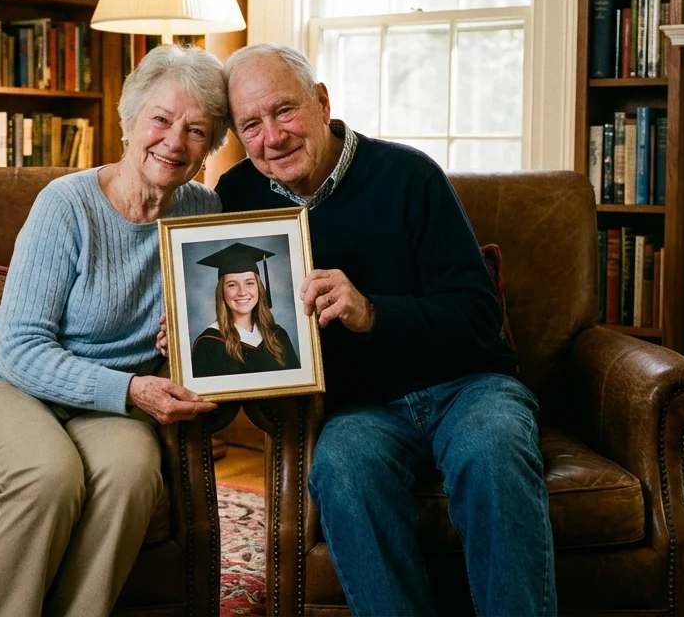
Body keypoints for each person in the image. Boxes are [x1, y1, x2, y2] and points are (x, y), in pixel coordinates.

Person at [215, 43, 557, 616]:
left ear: (321, 103)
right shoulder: (237, 195)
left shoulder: (408, 175)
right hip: (361, 409)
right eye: (251, 124)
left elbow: (476, 314)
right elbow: (228, 312)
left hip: (468, 387)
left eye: (284, 111)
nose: (272, 137)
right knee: (342, 468)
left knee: (492, 450)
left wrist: (372, 312)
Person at [0, 43, 228, 617]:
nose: (174, 142)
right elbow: (20, 348)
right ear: (130, 120)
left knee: (131, 475)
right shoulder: (65, 206)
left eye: (196, 131)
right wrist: (130, 389)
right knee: (47, 474)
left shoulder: (204, 213)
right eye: (162, 120)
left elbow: (211, 334)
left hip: (107, 406)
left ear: (210, 147)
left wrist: (182, 348)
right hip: (2, 385)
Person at [190, 242, 300, 377]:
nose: (242, 292)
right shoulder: (207, 344)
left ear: (259, 288)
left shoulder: (278, 335)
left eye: (249, 283)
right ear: (222, 292)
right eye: (232, 285)